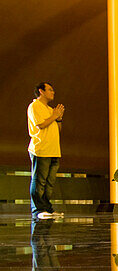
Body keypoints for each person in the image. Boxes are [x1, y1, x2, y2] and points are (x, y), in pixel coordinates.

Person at [27, 81, 65, 219]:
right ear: (41, 91)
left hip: (54, 149)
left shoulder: (50, 110)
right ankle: (38, 210)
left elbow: (57, 130)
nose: (53, 92)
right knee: (39, 180)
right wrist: (55, 116)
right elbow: (41, 125)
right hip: (41, 149)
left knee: (49, 182)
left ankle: (47, 208)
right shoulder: (35, 106)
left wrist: (59, 119)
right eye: (50, 89)